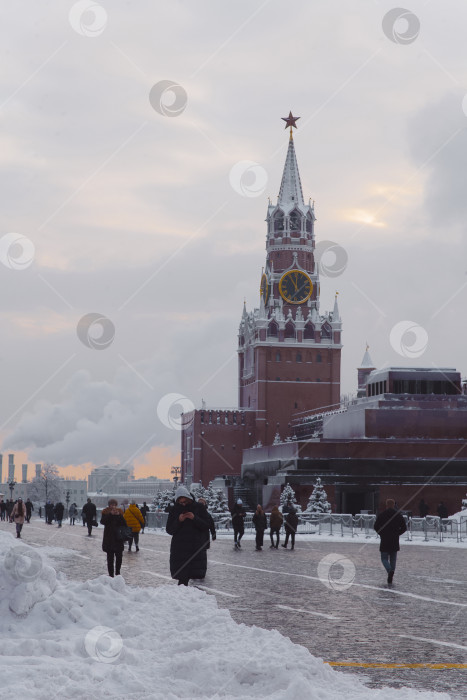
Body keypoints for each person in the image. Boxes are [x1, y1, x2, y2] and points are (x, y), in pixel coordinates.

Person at [166, 485, 210, 586]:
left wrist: (194, 518)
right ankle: (182, 599)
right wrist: (179, 520)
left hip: (195, 548)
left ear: (189, 498)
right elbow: (169, 529)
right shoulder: (174, 510)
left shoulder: (199, 508)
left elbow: (206, 524)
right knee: (182, 578)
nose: (183, 504)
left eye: (185, 501)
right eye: (181, 502)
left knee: (195, 576)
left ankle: (191, 599)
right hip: (180, 549)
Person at [374, 498, 407, 585]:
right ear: (393, 505)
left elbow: (375, 526)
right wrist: (397, 533)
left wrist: (381, 533)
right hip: (394, 540)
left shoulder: (382, 515)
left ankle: (389, 571)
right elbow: (404, 528)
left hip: (385, 539)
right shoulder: (398, 515)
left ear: (386, 505)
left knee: (384, 558)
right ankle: (391, 572)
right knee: (393, 559)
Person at [100, 499, 127, 578]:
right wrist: (110, 515)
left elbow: (124, 524)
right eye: (111, 504)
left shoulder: (120, 513)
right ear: (109, 505)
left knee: (119, 557)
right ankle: (111, 574)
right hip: (109, 538)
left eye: (114, 504)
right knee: (110, 558)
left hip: (118, 538)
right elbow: (102, 521)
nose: (113, 506)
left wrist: (118, 515)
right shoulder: (105, 512)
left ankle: (118, 573)